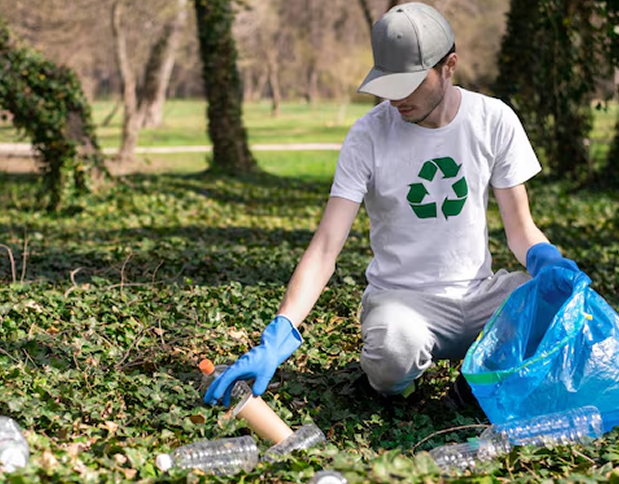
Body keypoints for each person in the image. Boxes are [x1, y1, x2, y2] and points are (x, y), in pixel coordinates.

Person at [204, 2, 581, 409]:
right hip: (402, 303)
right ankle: (400, 384)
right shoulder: (368, 135)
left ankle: (474, 386)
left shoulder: (493, 120)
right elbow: (327, 246)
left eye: (411, 83)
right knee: (392, 353)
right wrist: (278, 334)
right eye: (388, 83)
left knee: (552, 302)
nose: (396, 97)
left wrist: (547, 261)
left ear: (448, 65)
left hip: (478, 296)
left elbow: (521, 229)